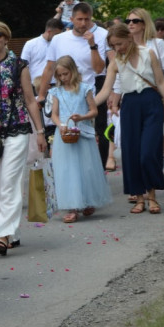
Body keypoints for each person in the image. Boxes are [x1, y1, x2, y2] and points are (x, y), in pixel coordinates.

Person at [0, 21, 47, 254]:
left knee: (10, 182)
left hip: (17, 129)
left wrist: (41, 131)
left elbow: (30, 99)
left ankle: (4, 235)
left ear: (6, 38)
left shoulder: (18, 65)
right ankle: (4, 232)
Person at [96, 25, 164, 215]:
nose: (117, 49)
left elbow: (160, 81)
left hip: (151, 102)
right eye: (113, 46)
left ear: (130, 38)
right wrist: (88, 104)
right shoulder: (116, 61)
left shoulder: (148, 53)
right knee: (131, 153)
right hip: (130, 104)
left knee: (149, 152)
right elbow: (106, 90)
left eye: (120, 44)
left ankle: (152, 196)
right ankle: (139, 198)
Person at [40, 2, 109, 164]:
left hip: (90, 91)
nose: (83, 23)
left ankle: (97, 168)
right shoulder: (59, 39)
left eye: (87, 19)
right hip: (64, 94)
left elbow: (100, 69)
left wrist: (92, 45)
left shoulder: (101, 35)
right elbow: (49, 68)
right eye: (79, 19)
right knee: (67, 132)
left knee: (92, 134)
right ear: (71, 19)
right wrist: (42, 94)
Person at [48, 56, 111, 223]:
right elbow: (54, 114)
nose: (63, 78)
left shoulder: (85, 89)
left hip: (82, 132)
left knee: (86, 168)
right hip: (64, 133)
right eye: (59, 75)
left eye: (65, 74)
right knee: (67, 170)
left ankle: (88, 200)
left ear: (73, 71)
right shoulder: (56, 92)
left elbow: (94, 111)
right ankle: (72, 206)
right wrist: (60, 124)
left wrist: (82, 117)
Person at [22, 18, 65, 86]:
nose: (58, 37)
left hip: (55, 84)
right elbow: (23, 66)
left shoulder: (60, 44)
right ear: (49, 31)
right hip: (35, 84)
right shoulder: (30, 44)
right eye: (56, 34)